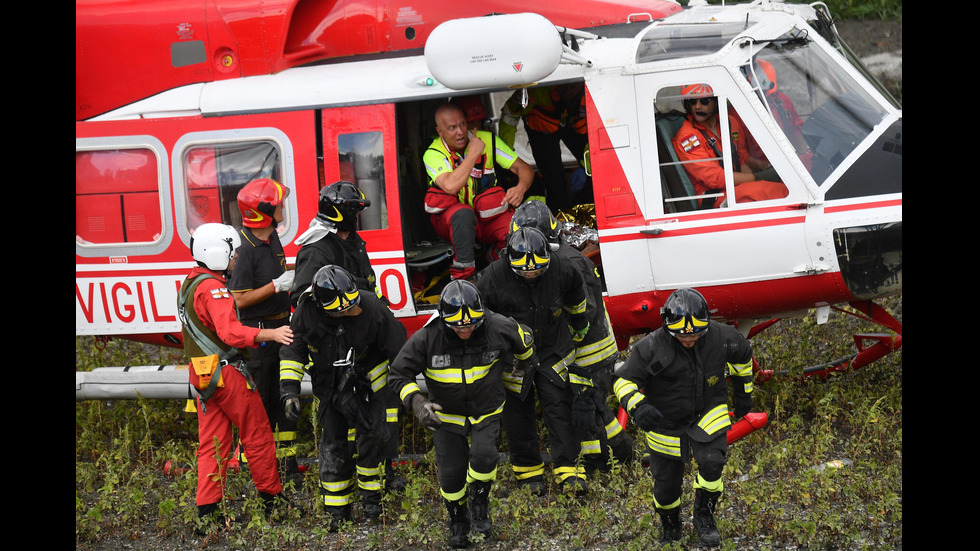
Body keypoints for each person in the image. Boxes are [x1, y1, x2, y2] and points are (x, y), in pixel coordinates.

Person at [388, 280, 536, 548]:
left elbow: (524, 342)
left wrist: (523, 364)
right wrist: (418, 403)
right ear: (445, 320)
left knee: (484, 457)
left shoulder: (497, 326)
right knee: (451, 473)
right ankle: (458, 518)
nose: (465, 329)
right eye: (458, 325)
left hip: (486, 409)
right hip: (445, 416)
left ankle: (480, 502)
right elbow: (398, 374)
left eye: (471, 324)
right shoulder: (426, 337)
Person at [613, 288, 754, 546]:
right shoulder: (650, 347)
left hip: (708, 410)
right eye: (682, 335)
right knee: (666, 486)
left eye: (696, 334)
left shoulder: (723, 337)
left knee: (713, 464)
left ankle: (704, 515)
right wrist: (638, 407)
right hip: (664, 420)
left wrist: (743, 392)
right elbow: (623, 381)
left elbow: (743, 356)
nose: (689, 339)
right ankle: (670, 523)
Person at [177, 223, 295, 531]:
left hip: (202, 375)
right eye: (231, 253)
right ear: (216, 253)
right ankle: (273, 502)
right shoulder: (214, 288)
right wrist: (269, 333)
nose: (235, 259)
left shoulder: (190, 283)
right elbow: (229, 331)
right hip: (226, 373)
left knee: (213, 444)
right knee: (257, 434)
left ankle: (208, 514)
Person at [289, 181, 406, 491]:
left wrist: (375, 312)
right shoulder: (317, 249)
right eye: (355, 211)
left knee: (380, 417)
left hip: (367, 345)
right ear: (342, 214)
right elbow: (304, 300)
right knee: (340, 426)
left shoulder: (352, 241)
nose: (358, 216)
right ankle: (347, 485)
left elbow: (367, 286)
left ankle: (383, 471)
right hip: (338, 354)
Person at [508, 200, 634, 473]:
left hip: (588, 353)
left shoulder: (567, 263)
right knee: (599, 411)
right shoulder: (560, 258)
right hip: (586, 352)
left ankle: (603, 465)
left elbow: (582, 312)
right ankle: (621, 457)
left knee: (587, 414)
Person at [278, 265, 407, 530]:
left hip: (370, 386)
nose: (350, 312)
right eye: (343, 311)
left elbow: (399, 348)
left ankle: (373, 503)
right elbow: (293, 353)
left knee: (373, 441)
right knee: (333, 447)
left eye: (351, 306)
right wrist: (289, 392)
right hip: (330, 389)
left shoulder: (370, 306)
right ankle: (337, 513)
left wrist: (403, 388)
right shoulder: (306, 313)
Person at [477, 226, 594, 495]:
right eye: (525, 271)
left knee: (560, 410)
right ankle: (529, 476)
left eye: (537, 269)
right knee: (518, 417)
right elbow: (481, 318)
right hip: (514, 359)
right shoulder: (492, 277)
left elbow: (577, 299)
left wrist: (579, 324)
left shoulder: (562, 269)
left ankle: (570, 472)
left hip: (553, 350)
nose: (531, 273)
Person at [226, 178, 299, 475]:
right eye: (278, 203)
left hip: (283, 330)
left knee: (285, 402)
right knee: (262, 405)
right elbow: (239, 299)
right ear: (264, 211)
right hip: (260, 339)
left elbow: (279, 273)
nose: (282, 206)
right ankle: (253, 464)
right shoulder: (245, 250)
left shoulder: (272, 238)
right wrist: (276, 285)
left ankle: (286, 462)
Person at [423, 101, 535, 280]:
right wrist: (474, 153)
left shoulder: (488, 140)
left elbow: (524, 168)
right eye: (452, 128)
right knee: (463, 214)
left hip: (486, 216)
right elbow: (450, 185)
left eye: (462, 124)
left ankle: (492, 267)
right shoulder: (433, 153)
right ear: (439, 131)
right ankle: (465, 279)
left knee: (516, 230)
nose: (460, 131)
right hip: (452, 222)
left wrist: (521, 188)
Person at [672, 83, 788, 208]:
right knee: (777, 192)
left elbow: (741, 160)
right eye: (692, 101)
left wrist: (759, 179)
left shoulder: (730, 122)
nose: (697, 106)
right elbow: (716, 179)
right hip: (714, 196)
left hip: (734, 187)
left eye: (705, 101)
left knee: (786, 185)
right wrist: (757, 178)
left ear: (716, 101)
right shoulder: (687, 138)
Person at [499, 83, 588, 212]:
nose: (568, 90)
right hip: (541, 128)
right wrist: (506, 154)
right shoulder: (538, 90)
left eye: (573, 87)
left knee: (591, 170)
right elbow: (510, 112)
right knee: (553, 180)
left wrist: (590, 167)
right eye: (564, 86)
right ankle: (558, 216)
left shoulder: (590, 95)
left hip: (571, 123)